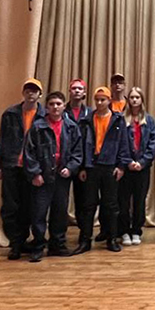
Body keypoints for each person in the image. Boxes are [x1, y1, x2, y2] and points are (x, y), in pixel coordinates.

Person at [24, 91, 83, 261]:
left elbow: (77, 152)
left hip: (61, 177)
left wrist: (70, 168)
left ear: (64, 106)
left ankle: (57, 245)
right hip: (43, 177)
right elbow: (29, 152)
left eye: (58, 104)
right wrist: (35, 173)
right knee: (39, 212)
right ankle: (38, 246)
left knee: (60, 212)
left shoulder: (72, 127)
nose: (55, 107)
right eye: (51, 104)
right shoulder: (38, 127)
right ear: (47, 107)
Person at [0, 78, 44, 260]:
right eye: (27, 90)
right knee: (10, 206)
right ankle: (15, 244)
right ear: (23, 93)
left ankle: (25, 240)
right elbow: (2, 139)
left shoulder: (44, 115)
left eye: (34, 91)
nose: (31, 93)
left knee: (29, 206)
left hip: (33, 168)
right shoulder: (10, 113)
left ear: (40, 94)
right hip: (11, 165)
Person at [74, 87, 129, 254]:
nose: (99, 102)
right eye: (97, 99)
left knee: (111, 205)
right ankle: (85, 240)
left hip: (110, 166)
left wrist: (121, 166)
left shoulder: (117, 120)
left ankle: (111, 238)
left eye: (103, 99)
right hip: (91, 166)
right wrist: (82, 167)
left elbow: (123, 144)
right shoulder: (86, 120)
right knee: (88, 205)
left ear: (109, 100)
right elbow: (81, 145)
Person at [119, 87, 155, 246]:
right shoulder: (121, 119)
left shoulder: (149, 120)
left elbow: (152, 144)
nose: (134, 100)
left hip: (142, 168)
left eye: (137, 97)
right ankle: (124, 231)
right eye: (132, 97)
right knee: (123, 201)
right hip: (126, 168)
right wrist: (128, 162)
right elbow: (119, 143)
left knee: (139, 201)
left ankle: (136, 231)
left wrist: (142, 162)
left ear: (142, 100)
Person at [65, 78, 90, 227]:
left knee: (83, 201)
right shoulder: (61, 111)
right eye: (74, 88)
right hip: (64, 162)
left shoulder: (90, 113)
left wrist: (85, 166)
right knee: (61, 200)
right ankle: (59, 235)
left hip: (82, 164)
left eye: (80, 89)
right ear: (69, 91)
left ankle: (84, 233)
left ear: (84, 92)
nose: (77, 91)